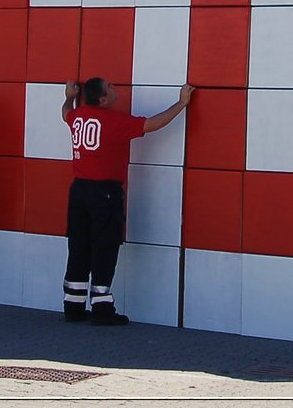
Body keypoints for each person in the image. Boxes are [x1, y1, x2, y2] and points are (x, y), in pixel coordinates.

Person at [61, 78, 194, 325]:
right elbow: (152, 124)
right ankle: (101, 308)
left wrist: (69, 95)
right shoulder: (113, 121)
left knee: (78, 246)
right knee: (104, 246)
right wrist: (181, 104)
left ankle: (73, 305)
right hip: (104, 193)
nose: (114, 89)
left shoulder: (77, 116)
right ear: (102, 100)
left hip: (78, 191)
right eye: (109, 88)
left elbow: (65, 112)